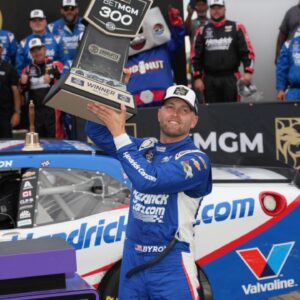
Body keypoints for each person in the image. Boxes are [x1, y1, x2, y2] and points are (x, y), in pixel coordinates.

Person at [86, 84, 212, 299]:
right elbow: (95, 130)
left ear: (194, 121)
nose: (175, 114)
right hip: (132, 259)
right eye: (170, 107)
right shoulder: (145, 147)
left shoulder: (197, 160)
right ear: (159, 113)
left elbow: (149, 180)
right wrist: (114, 86)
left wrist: (120, 132)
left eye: (184, 110)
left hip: (172, 263)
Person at [191, 0, 255, 103]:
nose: (216, 11)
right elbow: (194, 57)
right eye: (213, 8)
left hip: (231, 78)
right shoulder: (202, 30)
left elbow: (247, 52)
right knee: (210, 113)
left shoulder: (237, 27)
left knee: (232, 112)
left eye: (219, 7)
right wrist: (197, 78)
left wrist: (248, 72)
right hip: (208, 79)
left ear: (225, 9)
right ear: (209, 10)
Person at [126, 6, 185, 107]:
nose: (137, 35)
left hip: (163, 100)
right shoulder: (123, 55)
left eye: (140, 29)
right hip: (133, 103)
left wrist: (177, 24)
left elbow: (178, 40)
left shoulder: (163, 46)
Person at [19, 38, 64, 138]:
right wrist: (22, 84)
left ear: (44, 49)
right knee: (37, 141)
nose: (37, 53)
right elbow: (21, 92)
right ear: (30, 53)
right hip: (35, 113)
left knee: (55, 141)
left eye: (39, 49)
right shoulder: (27, 70)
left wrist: (53, 77)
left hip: (53, 111)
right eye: (33, 51)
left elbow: (63, 79)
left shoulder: (55, 65)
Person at [16, 9, 66, 75]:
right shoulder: (23, 43)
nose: (37, 22)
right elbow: (19, 69)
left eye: (40, 19)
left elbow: (65, 63)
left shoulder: (58, 40)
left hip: (55, 81)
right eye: (34, 20)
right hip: (32, 82)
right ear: (30, 24)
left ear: (45, 22)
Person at [48, 0, 85, 67]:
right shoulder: (52, 28)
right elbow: (49, 51)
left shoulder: (86, 25)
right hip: (60, 70)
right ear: (61, 10)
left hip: (81, 68)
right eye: (66, 8)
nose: (69, 11)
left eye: (72, 8)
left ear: (77, 10)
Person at [0, 43, 21, 138]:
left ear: (1, 50)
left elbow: (16, 92)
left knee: (6, 146)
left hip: (5, 117)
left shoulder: (9, 68)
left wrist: (17, 113)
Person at [276, 34, 300, 102]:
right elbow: (281, 68)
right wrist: (280, 89)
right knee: (290, 112)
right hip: (294, 92)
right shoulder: (289, 44)